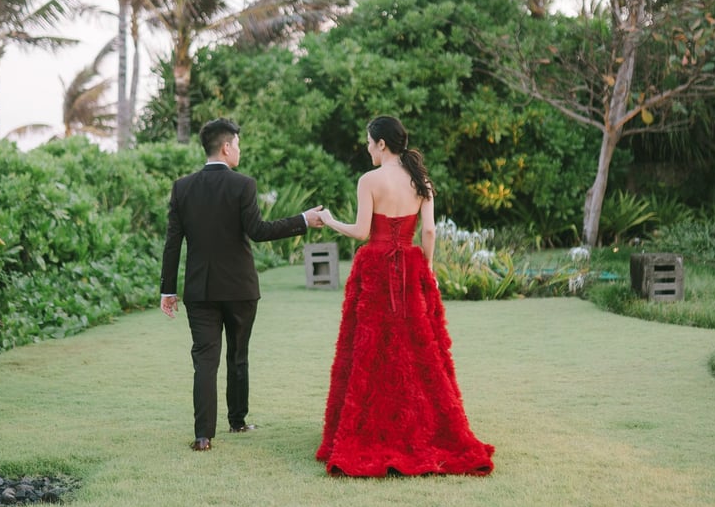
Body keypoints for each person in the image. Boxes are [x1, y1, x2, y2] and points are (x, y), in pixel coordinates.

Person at [315, 116, 494, 477]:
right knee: (417, 350)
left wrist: (331, 220)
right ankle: (421, 427)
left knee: (372, 349)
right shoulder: (421, 181)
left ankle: (373, 428)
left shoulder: (370, 180)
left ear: (382, 144)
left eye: (369, 142)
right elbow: (428, 230)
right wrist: (426, 269)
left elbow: (362, 232)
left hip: (376, 269)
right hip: (410, 269)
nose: (367, 148)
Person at [160, 118, 325, 452]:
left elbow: (172, 243)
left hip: (200, 290)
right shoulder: (243, 185)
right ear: (226, 147)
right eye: (237, 144)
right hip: (239, 289)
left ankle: (203, 436)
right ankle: (237, 421)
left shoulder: (182, 187)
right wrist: (302, 220)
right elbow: (259, 231)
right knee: (238, 355)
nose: (239, 149)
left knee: (205, 360)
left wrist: (167, 289)